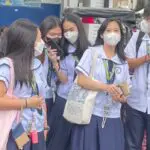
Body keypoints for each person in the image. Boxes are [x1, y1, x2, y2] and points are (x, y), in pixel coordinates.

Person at [68, 18, 130, 150]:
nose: (112, 34)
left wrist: (121, 98)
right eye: (108, 30)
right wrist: (106, 87)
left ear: (120, 35)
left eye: (116, 31)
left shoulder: (123, 61)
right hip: (91, 114)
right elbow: (81, 80)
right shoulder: (92, 53)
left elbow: (125, 91)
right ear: (102, 34)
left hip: (113, 117)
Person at [0, 19, 48, 150]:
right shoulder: (7, 66)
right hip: (15, 130)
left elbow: (41, 99)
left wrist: (44, 125)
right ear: (27, 43)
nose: (42, 43)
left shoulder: (37, 64)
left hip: (36, 130)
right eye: (39, 39)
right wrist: (26, 103)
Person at [47, 13, 89, 150]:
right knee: (57, 141)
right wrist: (56, 64)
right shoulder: (63, 50)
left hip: (82, 102)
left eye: (72, 29)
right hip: (63, 100)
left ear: (79, 28)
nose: (69, 33)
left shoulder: (89, 50)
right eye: (66, 31)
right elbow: (64, 79)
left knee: (76, 142)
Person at [124, 4, 150, 150]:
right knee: (132, 144)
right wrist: (145, 58)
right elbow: (127, 63)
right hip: (136, 103)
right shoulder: (137, 37)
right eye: (148, 18)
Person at [40, 16, 65, 146]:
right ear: (44, 35)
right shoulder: (38, 50)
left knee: (50, 132)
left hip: (54, 97)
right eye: (52, 35)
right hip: (40, 98)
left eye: (59, 35)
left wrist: (56, 62)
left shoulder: (61, 51)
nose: (56, 38)